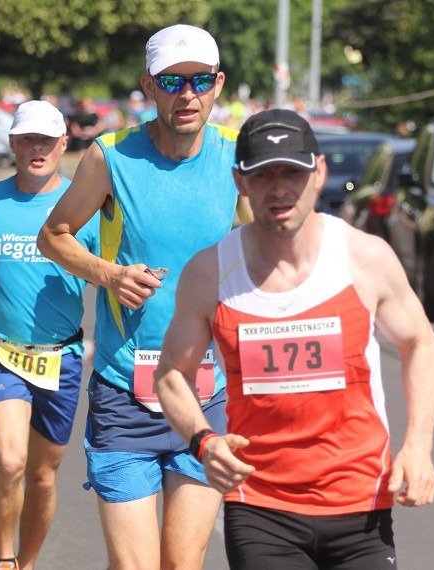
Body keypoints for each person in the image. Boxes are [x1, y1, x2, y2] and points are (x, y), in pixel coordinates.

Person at [153, 109, 434, 569]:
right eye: (263, 175)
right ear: (240, 181)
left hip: (360, 504)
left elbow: (420, 343)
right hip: (260, 505)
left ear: (318, 173)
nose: (280, 188)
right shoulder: (210, 273)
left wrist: (418, 445)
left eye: (292, 171)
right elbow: (171, 374)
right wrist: (203, 441)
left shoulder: (364, 259)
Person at [39, 24, 251, 570]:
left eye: (199, 81)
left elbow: (264, 255)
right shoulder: (110, 157)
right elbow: (53, 236)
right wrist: (109, 274)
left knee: (182, 564)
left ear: (218, 85)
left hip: (207, 391)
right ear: (148, 87)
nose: (187, 95)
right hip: (124, 391)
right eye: (171, 82)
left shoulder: (237, 160)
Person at [0, 100, 100, 570]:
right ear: (12, 143)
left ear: (63, 145)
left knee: (44, 477)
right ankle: (3, 560)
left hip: (62, 355)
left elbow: (106, 270)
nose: (37, 149)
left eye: (46, 141)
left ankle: (26, 564)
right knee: (11, 462)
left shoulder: (85, 205)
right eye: (28, 139)